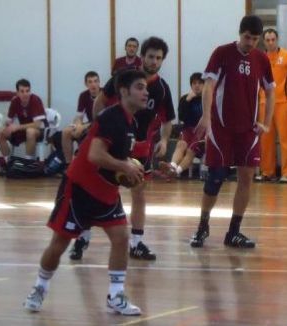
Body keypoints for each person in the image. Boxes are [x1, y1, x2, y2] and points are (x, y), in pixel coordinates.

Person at [23, 69, 147, 316]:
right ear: (124, 92)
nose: (146, 92)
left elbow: (120, 160)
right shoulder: (111, 117)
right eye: (140, 87)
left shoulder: (131, 121)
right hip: (79, 189)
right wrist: (124, 165)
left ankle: (115, 295)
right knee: (59, 244)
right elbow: (95, 155)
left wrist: (141, 172)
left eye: (146, 88)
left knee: (121, 238)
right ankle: (39, 287)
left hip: (106, 191)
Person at [69, 36, 175, 261]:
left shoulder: (163, 90)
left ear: (162, 60)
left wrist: (164, 140)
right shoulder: (121, 78)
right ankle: (82, 237)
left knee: (139, 193)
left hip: (141, 149)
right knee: (95, 190)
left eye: (158, 58)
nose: (154, 61)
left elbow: (168, 121)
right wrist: (98, 128)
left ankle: (136, 243)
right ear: (142, 56)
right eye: (150, 56)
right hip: (114, 145)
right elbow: (100, 102)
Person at [189, 15, 275, 248]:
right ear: (240, 34)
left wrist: (265, 122)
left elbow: (270, 91)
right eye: (248, 37)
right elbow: (209, 86)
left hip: (248, 130)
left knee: (246, 177)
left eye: (255, 39)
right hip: (221, 128)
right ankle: (202, 226)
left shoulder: (261, 59)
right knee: (216, 178)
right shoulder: (222, 53)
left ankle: (234, 232)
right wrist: (206, 117)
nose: (251, 42)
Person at [256, 28, 287, 183]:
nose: (270, 42)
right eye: (268, 40)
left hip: (284, 103)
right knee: (265, 140)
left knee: (285, 139)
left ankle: (286, 172)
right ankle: (267, 171)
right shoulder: (259, 58)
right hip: (264, 103)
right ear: (264, 41)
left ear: (277, 40)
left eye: (273, 39)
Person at [159, 72, 205, 178]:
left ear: (204, 85)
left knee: (190, 149)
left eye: (199, 83)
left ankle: (176, 171)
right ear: (191, 85)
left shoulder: (207, 98)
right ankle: (172, 167)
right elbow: (182, 117)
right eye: (194, 83)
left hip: (202, 133)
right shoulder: (185, 99)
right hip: (188, 131)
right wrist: (187, 101)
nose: (197, 85)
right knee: (181, 145)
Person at [0, 79, 47, 163]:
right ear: (17, 93)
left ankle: (28, 163)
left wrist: (17, 127)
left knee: (30, 132)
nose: (25, 94)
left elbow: (37, 124)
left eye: (27, 91)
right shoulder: (15, 101)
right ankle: (9, 162)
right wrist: (8, 126)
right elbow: (9, 120)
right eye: (22, 91)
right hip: (22, 130)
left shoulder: (35, 100)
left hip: (38, 130)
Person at [59, 71, 101, 168]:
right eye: (90, 82)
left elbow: (102, 119)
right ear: (86, 84)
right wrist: (78, 125)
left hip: (102, 124)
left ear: (99, 82)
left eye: (95, 81)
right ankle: (68, 166)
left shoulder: (104, 95)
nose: (93, 84)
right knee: (66, 132)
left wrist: (82, 126)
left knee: (83, 129)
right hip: (88, 124)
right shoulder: (83, 95)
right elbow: (79, 116)